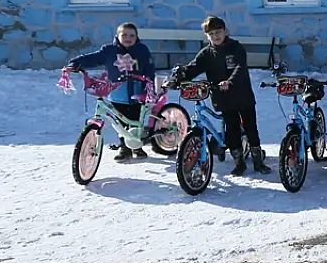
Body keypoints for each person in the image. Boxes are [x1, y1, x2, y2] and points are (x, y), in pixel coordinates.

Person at [173, 16, 270, 176]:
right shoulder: (206, 53)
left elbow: (240, 68)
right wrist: (179, 77)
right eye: (211, 34)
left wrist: (229, 81)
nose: (215, 36)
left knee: (250, 128)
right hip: (222, 98)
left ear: (225, 31)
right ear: (207, 36)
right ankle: (239, 162)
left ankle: (258, 161)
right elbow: (194, 68)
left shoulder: (236, 48)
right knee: (232, 130)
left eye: (218, 32)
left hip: (242, 95)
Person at [67, 22, 156, 161]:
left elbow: (150, 68)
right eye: (124, 35)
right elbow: (94, 58)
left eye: (132, 35)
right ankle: (124, 147)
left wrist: (149, 84)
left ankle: (137, 146)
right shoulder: (110, 50)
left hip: (137, 92)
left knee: (134, 119)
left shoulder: (142, 50)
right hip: (117, 93)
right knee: (119, 121)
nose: (128, 38)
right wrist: (76, 63)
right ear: (117, 36)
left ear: (137, 37)